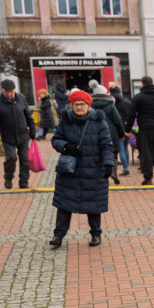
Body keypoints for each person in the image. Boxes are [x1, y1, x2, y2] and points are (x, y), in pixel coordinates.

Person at [48, 89, 115, 248]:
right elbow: (56, 140)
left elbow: (107, 145)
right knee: (64, 205)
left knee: (93, 205)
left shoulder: (98, 122)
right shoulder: (66, 120)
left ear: (88, 105)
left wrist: (108, 164)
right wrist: (67, 147)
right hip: (69, 171)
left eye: (82, 104)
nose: (79, 107)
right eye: (76, 104)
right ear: (71, 106)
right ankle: (58, 236)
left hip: (93, 170)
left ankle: (96, 234)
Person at [0, 79, 36, 189]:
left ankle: (23, 181)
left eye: (11, 92)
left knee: (24, 159)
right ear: (2, 89)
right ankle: (8, 176)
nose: (9, 94)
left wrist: (32, 129)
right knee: (11, 158)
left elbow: (28, 115)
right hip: (7, 136)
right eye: (7, 92)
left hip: (23, 135)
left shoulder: (21, 98)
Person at [89, 81, 124, 185]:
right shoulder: (110, 105)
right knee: (113, 154)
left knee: (98, 154)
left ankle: (101, 177)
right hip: (111, 132)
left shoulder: (90, 106)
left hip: (96, 132)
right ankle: (113, 173)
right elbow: (118, 120)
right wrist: (121, 133)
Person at [109, 83, 133, 176]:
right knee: (126, 148)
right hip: (127, 127)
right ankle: (125, 167)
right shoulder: (126, 101)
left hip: (117, 128)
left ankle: (126, 169)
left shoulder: (111, 102)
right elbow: (131, 115)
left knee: (121, 149)